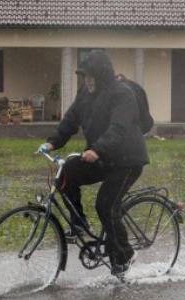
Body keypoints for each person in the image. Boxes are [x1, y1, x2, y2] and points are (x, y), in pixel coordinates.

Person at [39, 50, 149, 278]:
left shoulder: (122, 94)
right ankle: (79, 224)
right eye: (84, 76)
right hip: (102, 156)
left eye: (90, 76)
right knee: (66, 173)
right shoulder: (85, 93)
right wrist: (52, 143)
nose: (86, 81)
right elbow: (70, 120)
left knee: (106, 205)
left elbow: (118, 129)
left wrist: (96, 149)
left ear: (101, 75)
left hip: (127, 160)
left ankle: (125, 254)